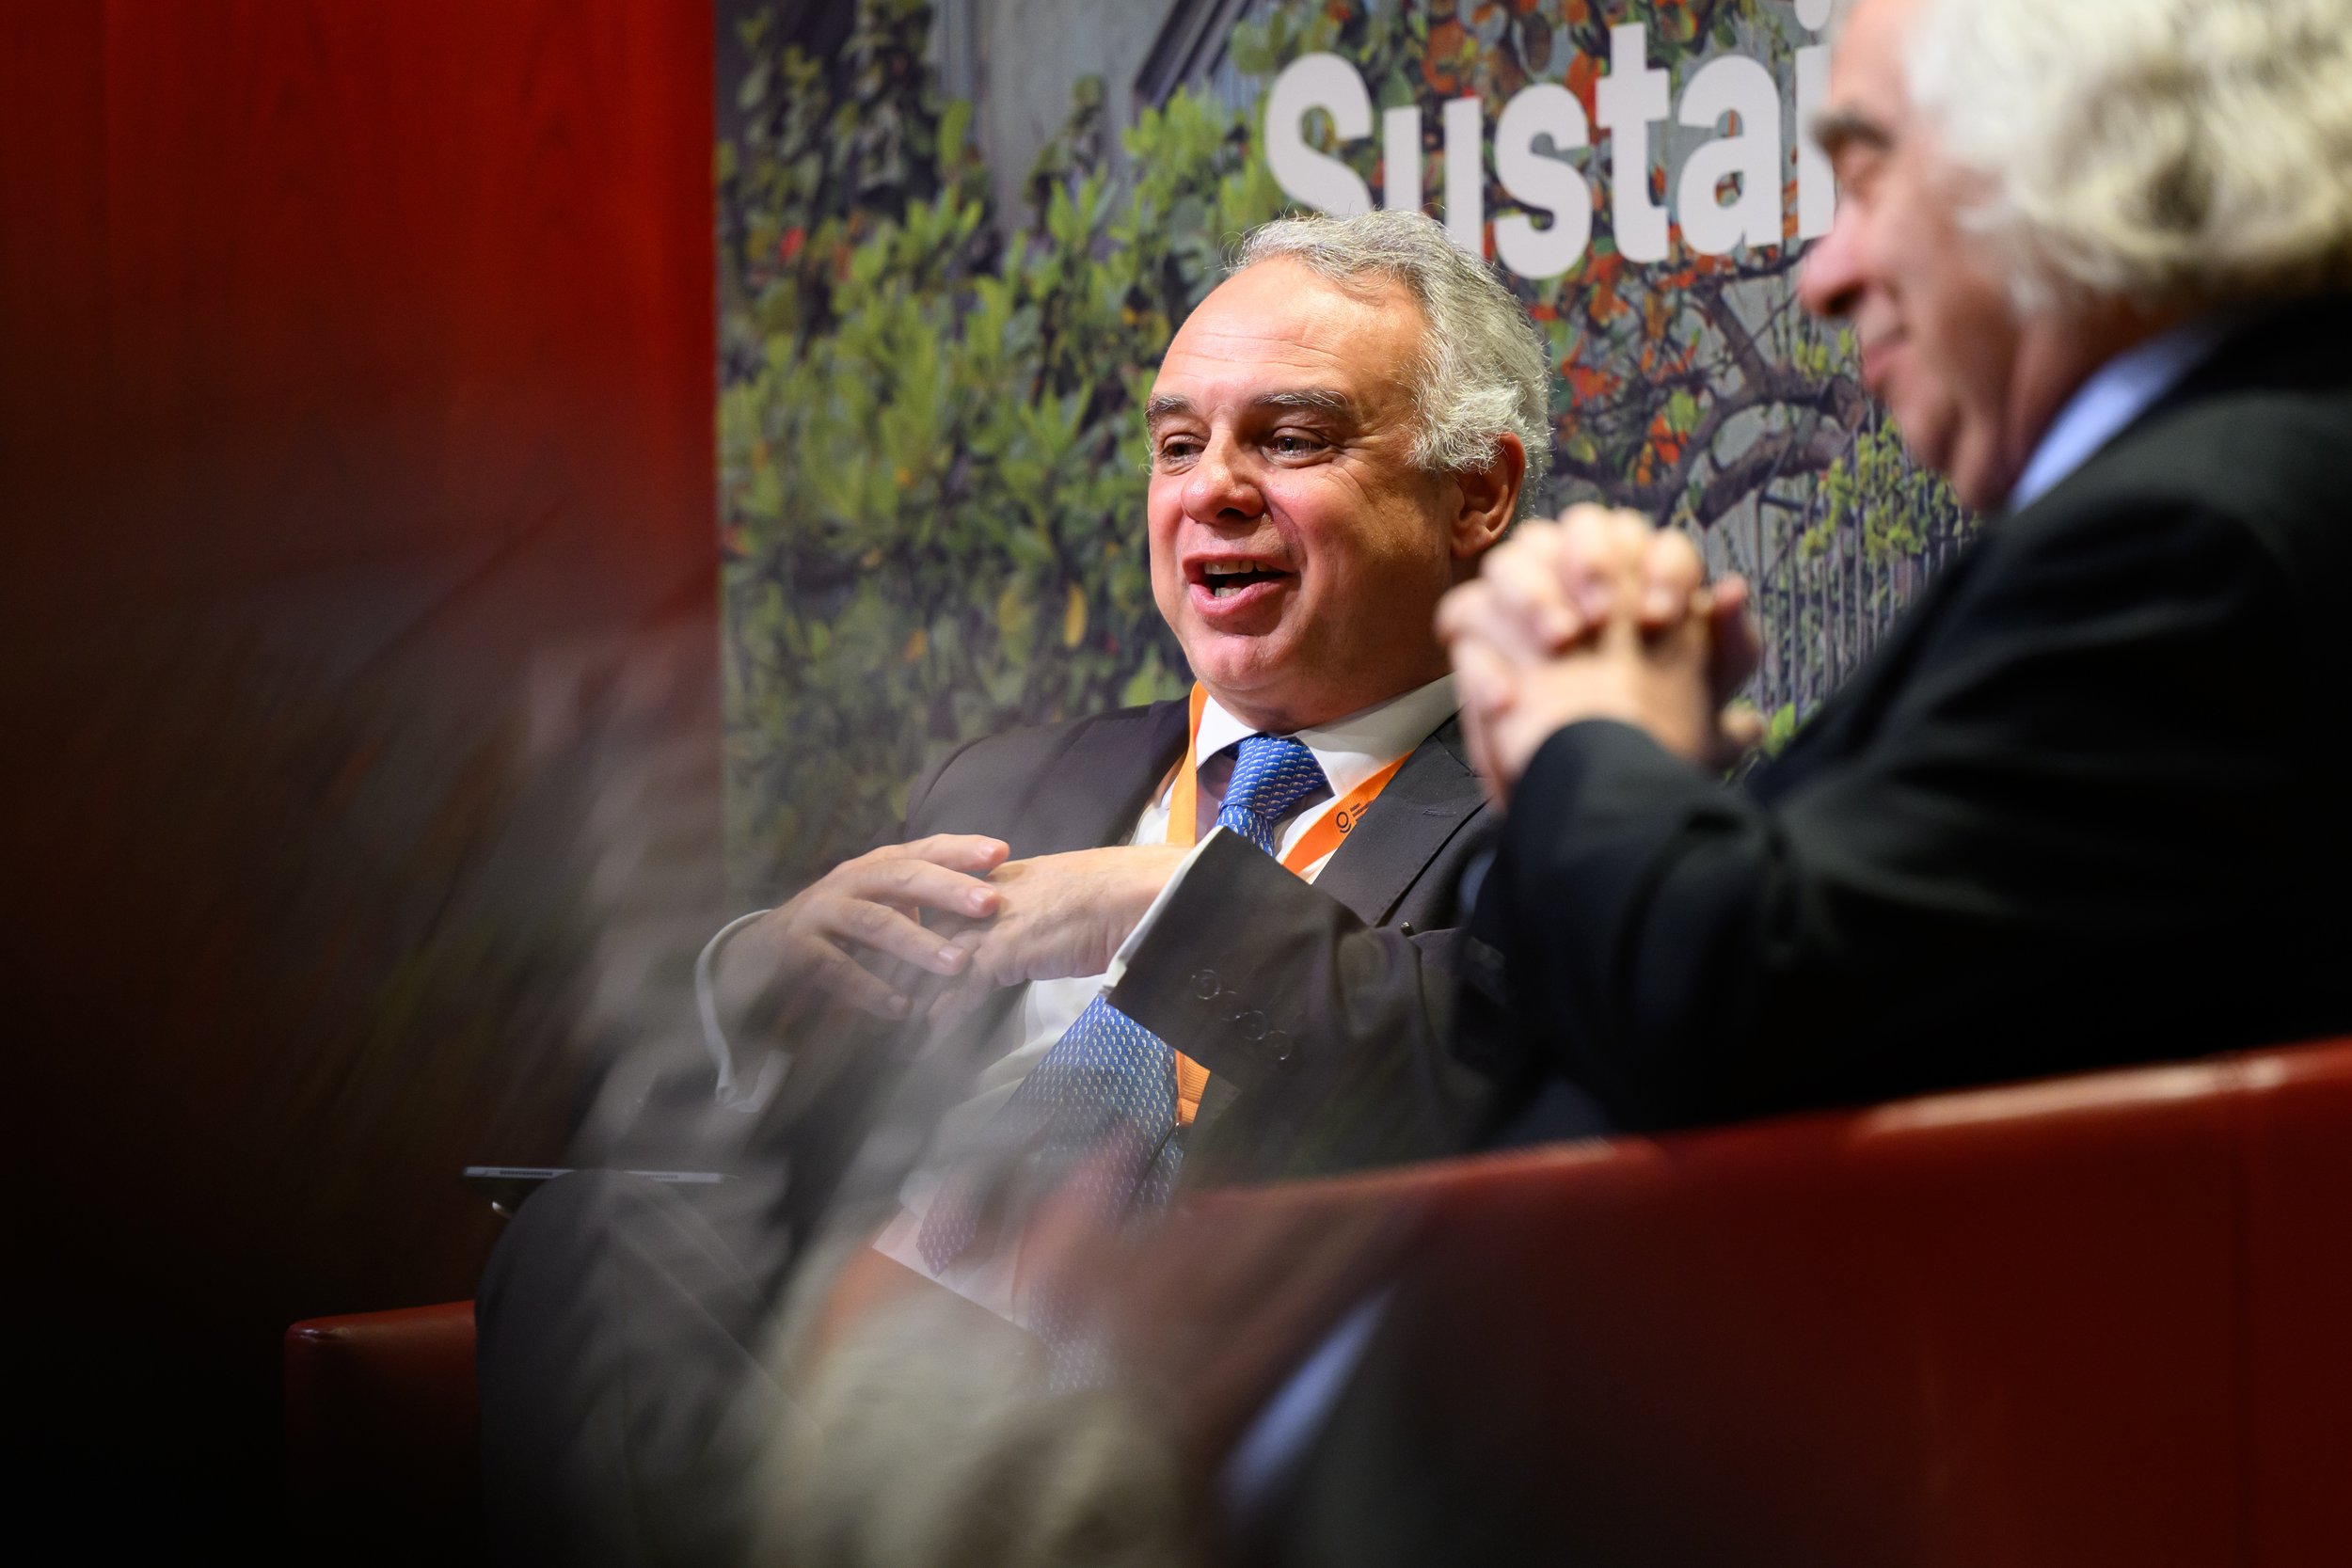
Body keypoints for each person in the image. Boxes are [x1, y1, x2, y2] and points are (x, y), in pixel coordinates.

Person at [476, 207, 1556, 1566]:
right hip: (865, 1379)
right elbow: (764, 1167)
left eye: (1288, 438)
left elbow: (1474, 1072)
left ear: (1478, 492)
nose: (1210, 488)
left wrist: (1156, 903)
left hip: (1176, 1413)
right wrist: (758, 987)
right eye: (1178, 444)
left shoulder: (1559, 815)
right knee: (597, 1241)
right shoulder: (1006, 784)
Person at [1436, 0, 2352, 1117]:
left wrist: (1584, 728)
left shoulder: (2192, 545)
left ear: (2075, 149)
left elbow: (1738, 1009)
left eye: (1864, 185)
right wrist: (1598, 779)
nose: (1822, 278)